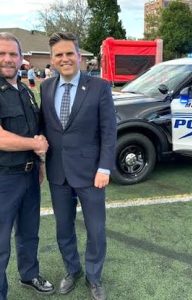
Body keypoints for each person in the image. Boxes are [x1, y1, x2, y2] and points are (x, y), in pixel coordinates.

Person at [40, 32, 116, 300]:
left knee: (96, 230)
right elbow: (45, 129)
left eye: (69, 53)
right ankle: (72, 270)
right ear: (52, 60)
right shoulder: (46, 87)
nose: (65, 59)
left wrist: (105, 168)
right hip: (58, 173)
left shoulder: (100, 87)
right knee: (63, 228)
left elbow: (109, 131)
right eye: (58, 55)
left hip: (91, 174)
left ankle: (94, 277)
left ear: (79, 56)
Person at [0, 32, 55, 300]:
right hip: (3, 178)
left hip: (29, 175)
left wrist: (40, 162)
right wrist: (34, 145)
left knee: (29, 231)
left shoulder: (24, 90)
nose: (7, 59)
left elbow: (34, 130)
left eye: (13, 54)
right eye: (2, 54)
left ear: (22, 59)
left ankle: (29, 273)